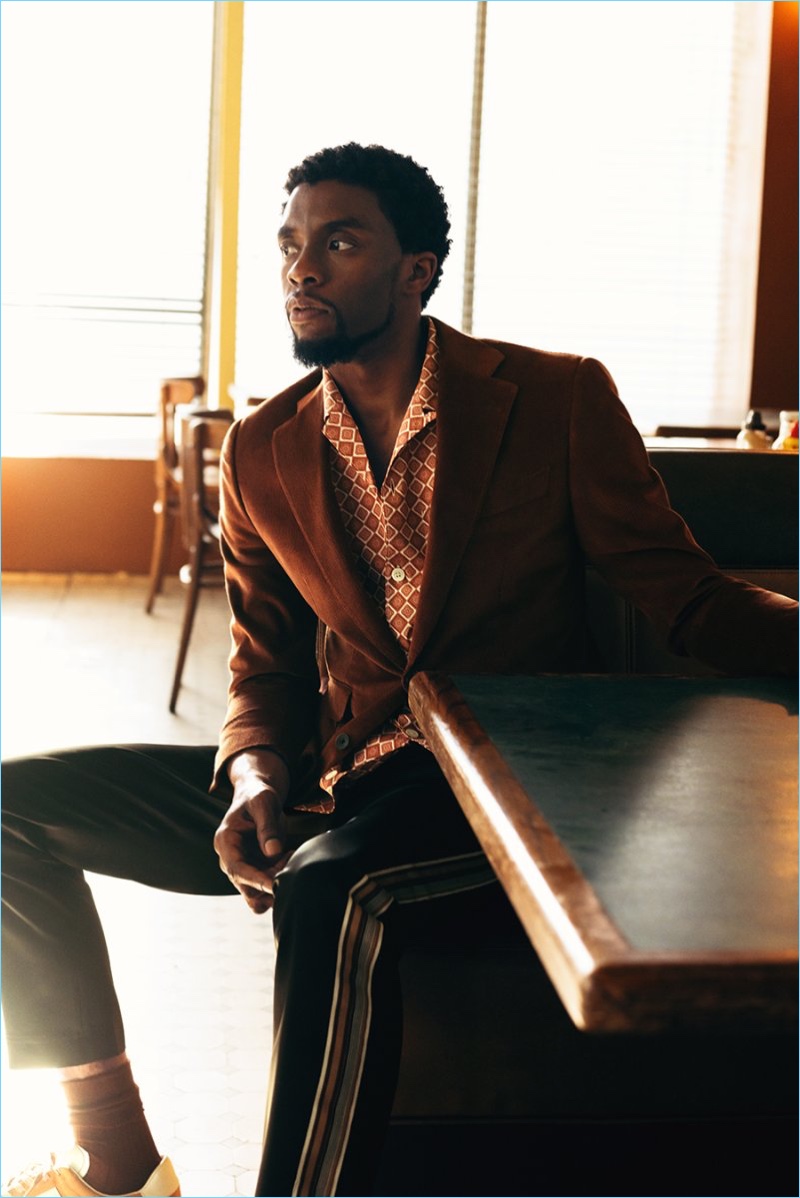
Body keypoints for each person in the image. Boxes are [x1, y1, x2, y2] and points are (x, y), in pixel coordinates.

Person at [2, 142, 796, 1198]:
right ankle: (118, 1165)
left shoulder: (551, 399)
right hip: (337, 772)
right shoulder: (263, 447)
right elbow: (265, 664)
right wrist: (252, 777)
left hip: (497, 794)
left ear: (415, 268)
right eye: (290, 244)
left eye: (338, 241)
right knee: (13, 810)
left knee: (335, 886)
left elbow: (685, 597)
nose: (301, 268)